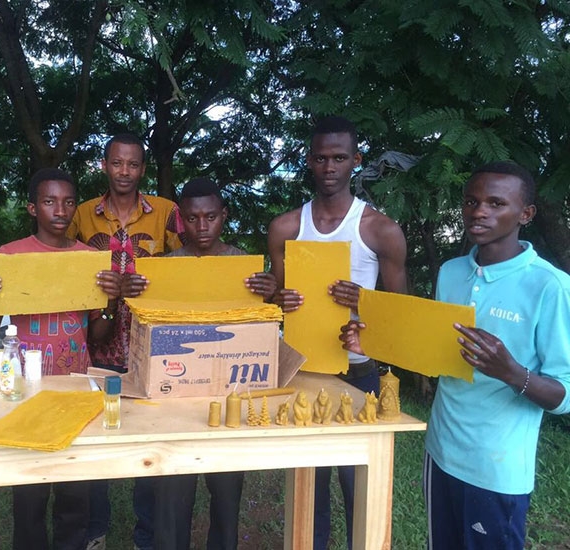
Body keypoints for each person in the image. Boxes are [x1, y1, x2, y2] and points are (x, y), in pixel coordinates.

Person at [340, 161, 570, 548]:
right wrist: (373, 345)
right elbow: (435, 355)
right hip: (441, 453)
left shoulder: (550, 286)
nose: (479, 211)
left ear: (525, 214)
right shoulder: (451, 272)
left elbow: (564, 394)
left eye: (496, 203)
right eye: (471, 201)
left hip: (497, 469)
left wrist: (512, 372)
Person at [267, 116, 407, 550]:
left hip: (357, 373)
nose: (330, 167)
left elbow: (401, 314)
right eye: (321, 158)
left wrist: (364, 299)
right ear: (309, 161)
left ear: (356, 161)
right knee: (309, 489)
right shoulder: (287, 227)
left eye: (340, 158)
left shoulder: (379, 230)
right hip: (301, 372)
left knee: (358, 487)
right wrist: (279, 301)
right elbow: (274, 300)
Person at [0, 168, 122, 550]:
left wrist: (112, 301)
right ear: (33, 207)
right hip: (25, 393)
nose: (61, 210)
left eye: (68, 201)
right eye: (50, 201)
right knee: (29, 495)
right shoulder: (10, 257)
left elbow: (98, 335)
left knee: (74, 494)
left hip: (76, 390)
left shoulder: (89, 260)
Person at [68, 133, 185, 550]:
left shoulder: (167, 212)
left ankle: (147, 535)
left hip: (153, 344)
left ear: (142, 169)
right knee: (94, 435)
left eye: (132, 164)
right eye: (116, 163)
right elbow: (64, 263)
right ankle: (94, 530)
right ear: (104, 165)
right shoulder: (82, 214)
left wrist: (154, 283)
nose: (124, 172)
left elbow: (189, 263)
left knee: (150, 439)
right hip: (98, 341)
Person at [152, 177, 277, 550]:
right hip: (177, 399)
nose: (201, 227)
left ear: (224, 216)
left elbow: (261, 334)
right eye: (192, 218)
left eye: (210, 217)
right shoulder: (166, 268)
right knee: (173, 494)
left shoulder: (245, 267)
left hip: (230, 401)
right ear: (180, 222)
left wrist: (268, 299)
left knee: (226, 496)